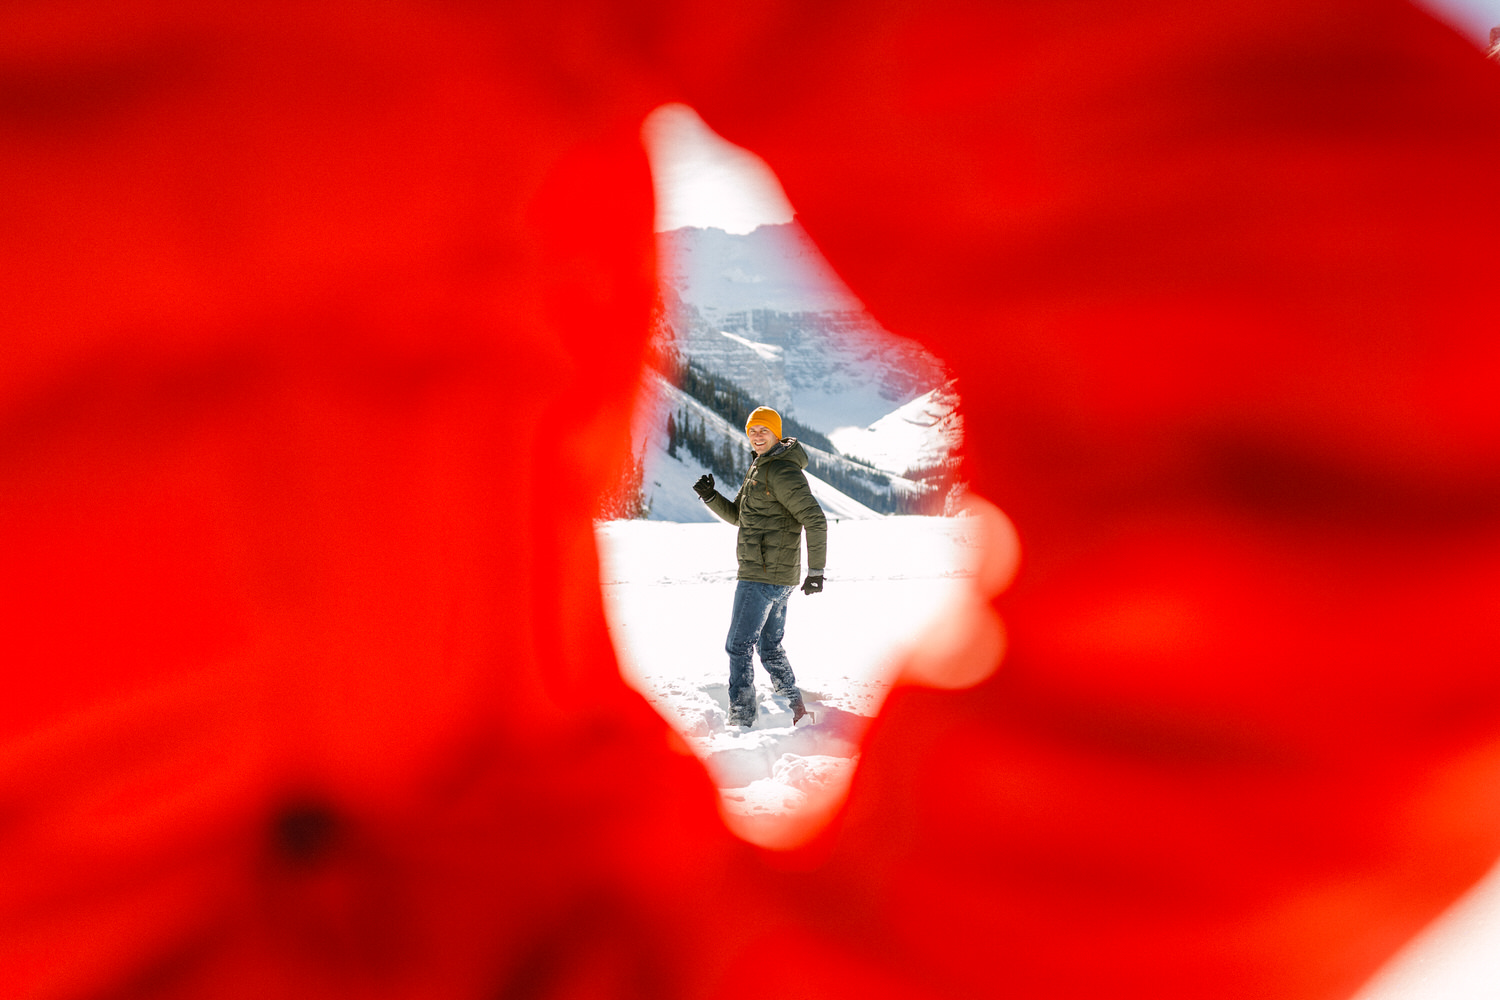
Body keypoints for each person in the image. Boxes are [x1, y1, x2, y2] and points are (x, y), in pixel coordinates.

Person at [693, 406, 827, 728]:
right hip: (775, 576)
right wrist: (711, 497)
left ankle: (741, 720)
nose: (756, 436)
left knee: (738, 646)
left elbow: (815, 519)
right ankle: (794, 708)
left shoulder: (781, 471)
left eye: (763, 430)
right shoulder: (761, 466)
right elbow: (740, 515)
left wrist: (817, 571)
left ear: (776, 433)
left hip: (761, 576)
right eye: (752, 431)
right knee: (769, 646)